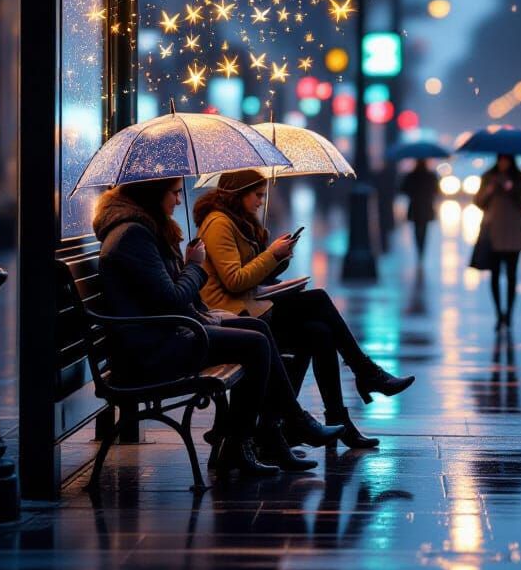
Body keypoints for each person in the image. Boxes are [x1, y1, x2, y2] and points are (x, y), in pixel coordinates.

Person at [93, 176, 344, 478]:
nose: (178, 200)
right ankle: (247, 441)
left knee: (257, 329)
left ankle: (277, 428)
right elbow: (173, 299)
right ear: (152, 194)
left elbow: (165, 296)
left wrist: (191, 272)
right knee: (256, 344)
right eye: (174, 193)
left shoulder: (143, 230)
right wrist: (194, 266)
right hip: (150, 351)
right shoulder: (134, 235)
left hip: (164, 335)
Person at [195, 170, 415, 450]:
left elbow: (255, 274)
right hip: (235, 316)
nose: (261, 201)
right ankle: (367, 374)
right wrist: (272, 254)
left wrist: (280, 257)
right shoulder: (219, 223)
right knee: (319, 300)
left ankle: (338, 416)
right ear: (239, 193)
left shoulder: (238, 221)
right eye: (258, 195)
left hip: (249, 307)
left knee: (319, 332)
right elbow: (235, 280)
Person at [473, 154, 521, 329]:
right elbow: (478, 201)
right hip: (493, 231)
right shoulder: (488, 177)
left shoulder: (519, 178)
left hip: (514, 233)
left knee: (512, 276)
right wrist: (489, 190)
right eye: (501, 160)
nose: (503, 163)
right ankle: (499, 313)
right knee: (494, 275)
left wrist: (512, 189)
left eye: (506, 160)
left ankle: (509, 314)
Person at [401, 158, 438, 267]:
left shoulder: (411, 175)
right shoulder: (431, 175)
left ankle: (419, 251)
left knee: (417, 231)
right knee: (424, 231)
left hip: (415, 207)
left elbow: (403, 189)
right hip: (426, 207)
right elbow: (436, 190)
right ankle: (421, 252)